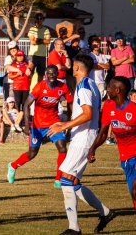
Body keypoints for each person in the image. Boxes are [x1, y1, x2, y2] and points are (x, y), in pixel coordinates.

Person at [48, 54, 115, 235]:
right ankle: (106, 212)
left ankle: (74, 228)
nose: (71, 67)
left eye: (73, 65)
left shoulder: (85, 85)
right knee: (74, 182)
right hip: (84, 136)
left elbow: (87, 114)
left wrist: (64, 125)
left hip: (83, 138)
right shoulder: (91, 83)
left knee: (65, 179)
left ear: (77, 68)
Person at [7, 65, 73, 188]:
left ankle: (58, 179)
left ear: (57, 74)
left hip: (54, 124)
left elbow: (70, 103)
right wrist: (27, 125)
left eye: (54, 73)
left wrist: (68, 124)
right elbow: (26, 105)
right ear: (46, 75)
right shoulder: (40, 87)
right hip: (38, 125)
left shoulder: (63, 87)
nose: (52, 75)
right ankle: (13, 166)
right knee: (32, 153)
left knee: (62, 147)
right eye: (49, 73)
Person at [88, 76, 136, 210]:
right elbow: (103, 132)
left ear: (118, 90)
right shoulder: (109, 106)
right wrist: (93, 149)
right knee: (134, 195)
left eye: (110, 87)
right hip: (125, 159)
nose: (107, 89)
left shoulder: (133, 109)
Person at [28, 13, 51, 85]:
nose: (39, 20)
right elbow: (32, 41)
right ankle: (27, 92)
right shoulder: (32, 29)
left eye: (41, 18)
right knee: (29, 73)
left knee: (41, 75)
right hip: (33, 55)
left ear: (43, 20)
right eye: (37, 18)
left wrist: (38, 39)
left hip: (42, 55)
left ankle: (39, 92)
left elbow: (48, 41)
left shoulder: (46, 29)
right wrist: (42, 40)